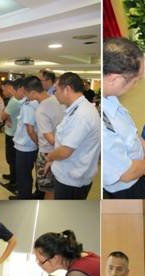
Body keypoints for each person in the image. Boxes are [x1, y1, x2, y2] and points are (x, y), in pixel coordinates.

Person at [103, 37, 145, 199]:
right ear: (114, 79)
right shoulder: (103, 124)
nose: (135, 86)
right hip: (124, 189)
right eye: (135, 80)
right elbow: (126, 173)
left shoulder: (111, 97)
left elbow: (129, 130)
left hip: (138, 172)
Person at [47, 72, 101, 200]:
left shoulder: (82, 114)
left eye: (56, 90)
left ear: (67, 89)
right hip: (68, 173)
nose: (55, 94)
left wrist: (49, 157)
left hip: (71, 180)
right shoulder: (77, 108)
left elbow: (65, 151)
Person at [24, 76, 64, 200]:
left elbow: (49, 138)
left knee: (48, 189)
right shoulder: (58, 100)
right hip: (61, 150)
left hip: (48, 152)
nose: (26, 97)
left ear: (32, 92)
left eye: (26, 93)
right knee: (56, 186)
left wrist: (49, 152)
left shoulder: (41, 109)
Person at [11, 76, 40, 200]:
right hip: (25, 145)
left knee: (23, 175)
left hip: (26, 147)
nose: (13, 92)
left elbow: (30, 130)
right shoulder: (28, 102)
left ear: (24, 89)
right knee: (24, 174)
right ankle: (24, 195)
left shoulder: (29, 106)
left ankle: (24, 198)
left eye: (15, 89)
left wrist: (38, 144)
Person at [1, 79, 25, 189]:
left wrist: (5, 117)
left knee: (12, 159)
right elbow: (7, 115)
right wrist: (7, 117)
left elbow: (3, 115)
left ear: (9, 87)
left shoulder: (14, 101)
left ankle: (14, 181)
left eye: (3, 89)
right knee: (11, 158)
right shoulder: (13, 100)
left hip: (12, 134)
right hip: (13, 132)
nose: (3, 92)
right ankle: (12, 176)